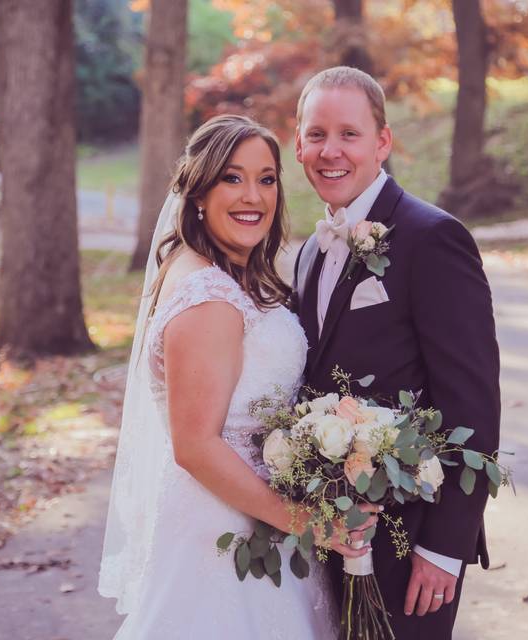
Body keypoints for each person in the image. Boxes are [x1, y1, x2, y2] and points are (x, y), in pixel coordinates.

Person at [98, 114, 375, 640]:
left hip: (250, 519)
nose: (254, 196)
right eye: (232, 177)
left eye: (266, 178)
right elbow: (196, 445)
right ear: (198, 191)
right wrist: (306, 522)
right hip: (224, 535)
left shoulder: (209, 273)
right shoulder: (209, 298)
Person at [291, 67, 501, 637]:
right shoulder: (310, 251)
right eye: (316, 134)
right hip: (330, 529)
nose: (329, 151)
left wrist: (444, 547)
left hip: (412, 539)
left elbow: (472, 403)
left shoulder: (433, 238)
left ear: (382, 142)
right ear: (298, 143)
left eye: (348, 134)